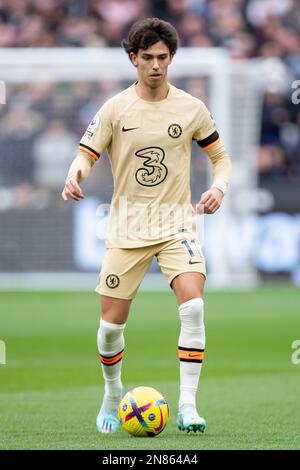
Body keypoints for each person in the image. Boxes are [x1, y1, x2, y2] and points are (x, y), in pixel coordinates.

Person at [62, 17, 231, 434]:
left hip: (178, 224)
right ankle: (112, 393)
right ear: (133, 58)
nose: (156, 65)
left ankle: (188, 407)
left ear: (171, 58)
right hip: (128, 227)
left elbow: (221, 159)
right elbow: (86, 153)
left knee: (193, 307)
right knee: (109, 329)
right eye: (147, 58)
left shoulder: (191, 108)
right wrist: (75, 174)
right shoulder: (116, 109)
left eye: (163, 58)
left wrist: (219, 188)